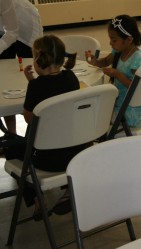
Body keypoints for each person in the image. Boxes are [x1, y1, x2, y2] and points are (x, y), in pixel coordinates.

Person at [4, 35, 90, 221]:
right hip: (76, 151)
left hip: (46, 158)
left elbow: (29, 120)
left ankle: (37, 200)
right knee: (28, 140)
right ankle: (67, 191)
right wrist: (33, 83)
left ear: (38, 59)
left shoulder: (36, 86)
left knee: (12, 148)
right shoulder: (70, 77)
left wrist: (32, 84)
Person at [85, 14, 141, 127]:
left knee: (90, 113)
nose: (110, 43)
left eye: (114, 40)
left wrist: (117, 74)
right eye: (110, 39)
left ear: (128, 39)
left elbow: (137, 87)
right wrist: (94, 61)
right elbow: (104, 62)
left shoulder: (137, 60)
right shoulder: (119, 51)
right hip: (118, 104)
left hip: (128, 112)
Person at [0, 0, 43, 134]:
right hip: (3, 27)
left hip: (24, 22)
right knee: (4, 77)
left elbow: (12, 32)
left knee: (36, 68)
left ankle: (34, 133)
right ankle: (12, 135)